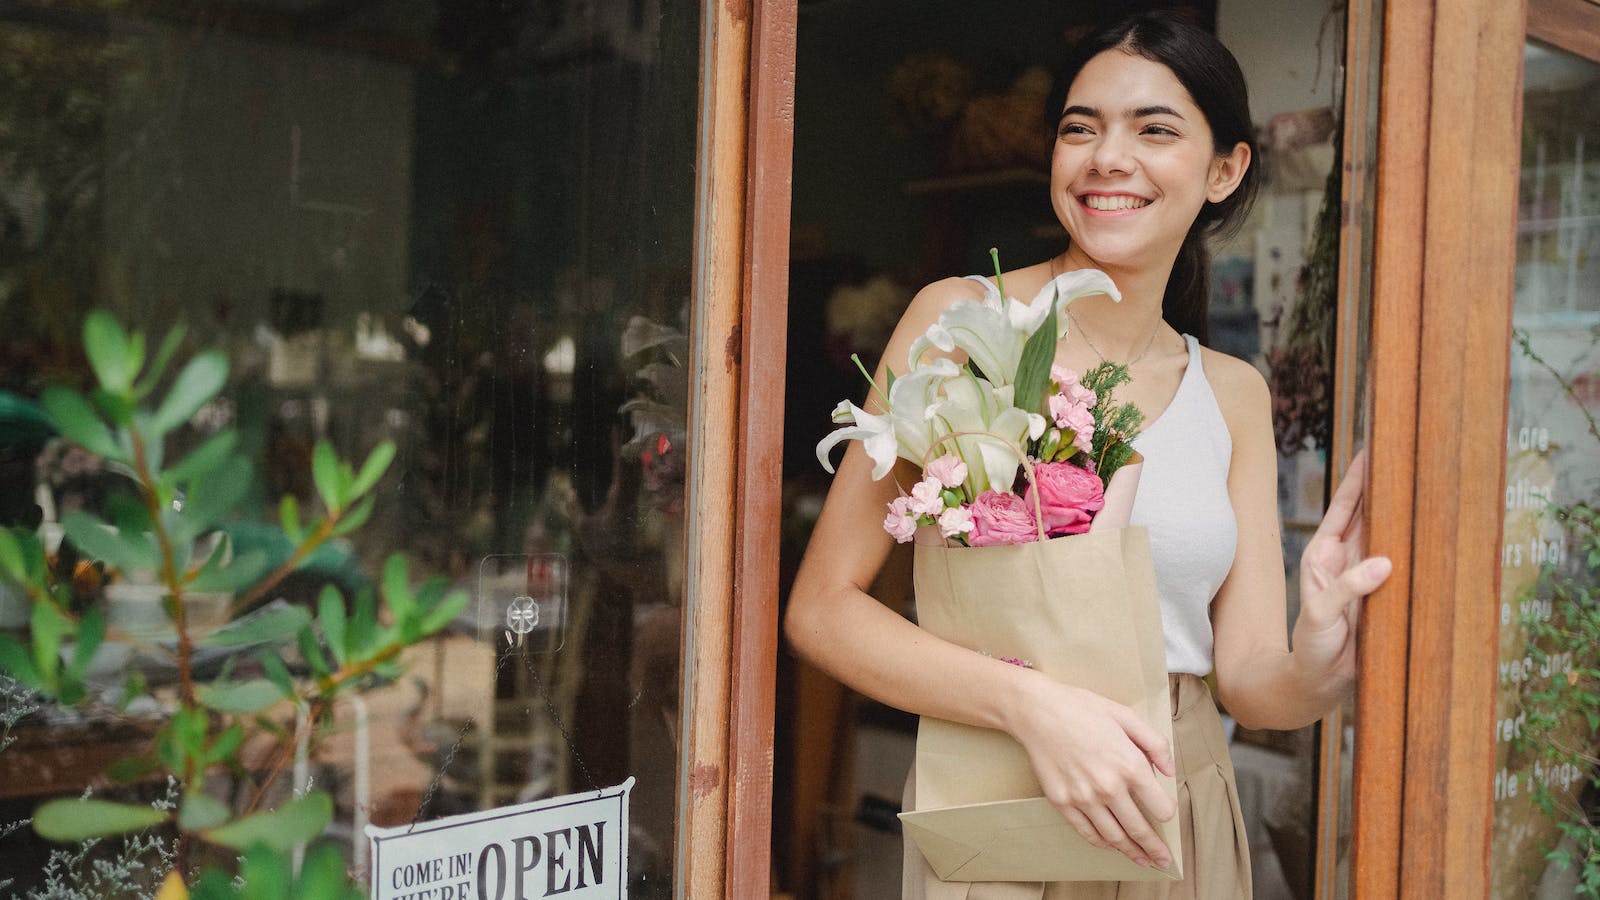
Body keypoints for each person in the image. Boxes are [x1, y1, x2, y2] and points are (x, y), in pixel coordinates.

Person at [784, 14, 1394, 900]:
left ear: (1225, 169)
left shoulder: (1233, 393)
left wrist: (1317, 660)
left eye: (1154, 128)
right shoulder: (964, 325)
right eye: (1081, 127)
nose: (1108, 157)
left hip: (1175, 804)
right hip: (1000, 802)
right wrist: (1033, 707)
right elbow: (822, 610)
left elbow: (1251, 683)